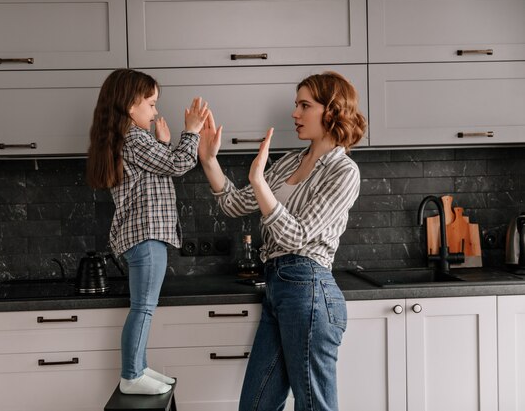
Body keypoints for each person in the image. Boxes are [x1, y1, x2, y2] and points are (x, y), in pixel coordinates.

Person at [198, 71, 366, 411]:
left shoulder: (343, 172)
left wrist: (260, 183)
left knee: (313, 405)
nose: (295, 114)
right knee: (255, 406)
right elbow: (235, 203)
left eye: (305, 105)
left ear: (331, 111)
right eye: (296, 105)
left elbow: (297, 234)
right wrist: (209, 159)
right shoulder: (291, 160)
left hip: (310, 289)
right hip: (278, 289)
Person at [86, 68, 209, 395]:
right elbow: (179, 164)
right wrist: (191, 131)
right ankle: (130, 376)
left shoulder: (131, 139)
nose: (155, 112)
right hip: (146, 235)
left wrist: (164, 143)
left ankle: (138, 369)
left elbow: (157, 169)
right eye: (152, 104)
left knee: (144, 306)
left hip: (141, 236)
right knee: (143, 308)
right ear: (130, 106)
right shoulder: (133, 137)